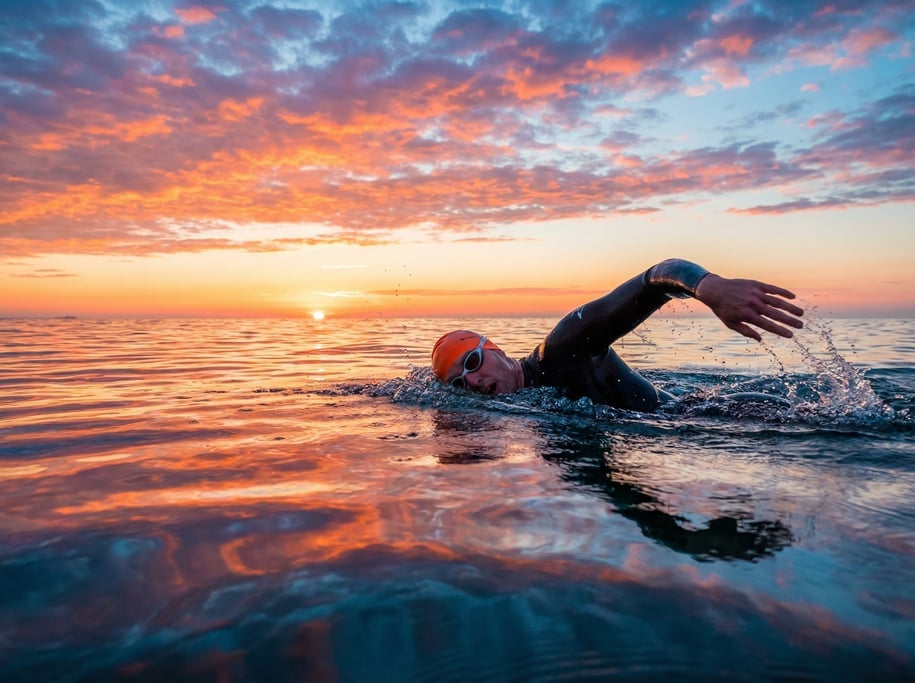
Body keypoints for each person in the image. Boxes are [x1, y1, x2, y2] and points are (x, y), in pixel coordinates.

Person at [431, 258, 804, 411]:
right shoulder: (525, 401)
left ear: (493, 348)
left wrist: (710, 287)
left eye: (473, 362)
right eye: (461, 384)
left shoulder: (562, 348)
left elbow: (656, 276)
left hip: (730, 416)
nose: (475, 382)